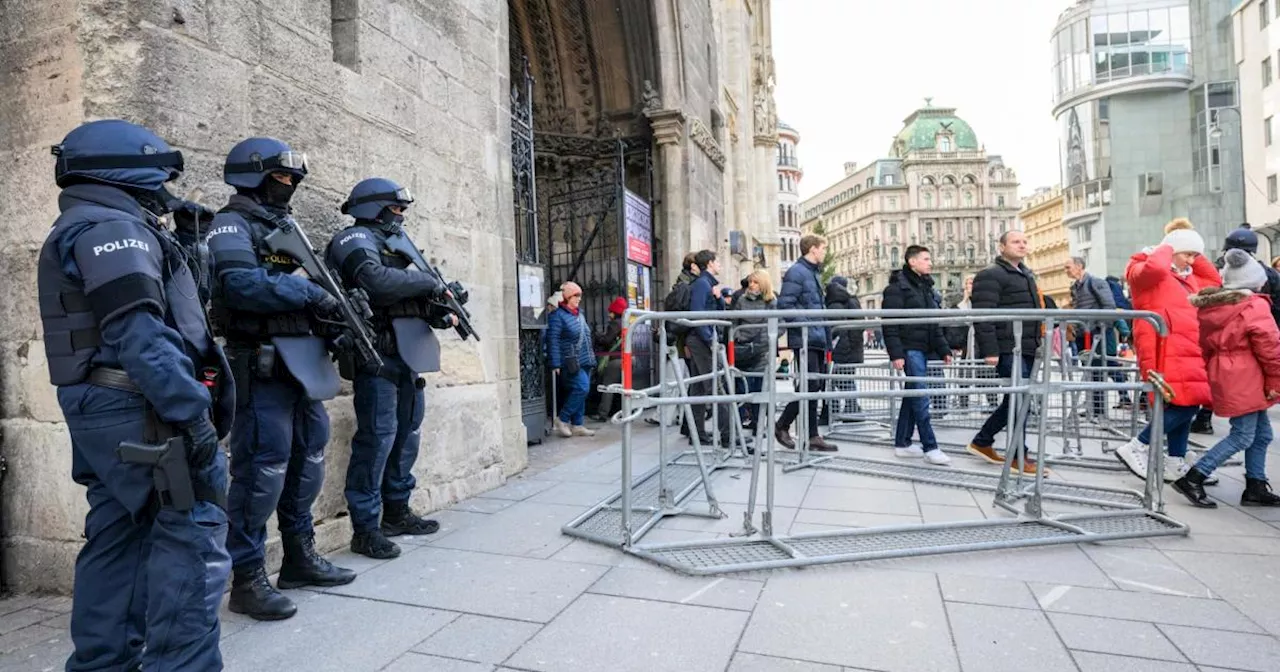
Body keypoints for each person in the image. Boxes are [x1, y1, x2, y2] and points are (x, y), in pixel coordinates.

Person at [41, 119, 235, 669]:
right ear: (126, 170)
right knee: (191, 541)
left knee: (117, 537)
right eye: (157, 178)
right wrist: (190, 413)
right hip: (142, 408)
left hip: (110, 408)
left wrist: (188, 247)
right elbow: (140, 332)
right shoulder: (108, 229)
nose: (163, 190)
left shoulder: (91, 223)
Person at [207, 137, 356, 621]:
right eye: (282, 177)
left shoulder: (285, 226)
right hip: (261, 362)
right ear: (254, 175)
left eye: (293, 179)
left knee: (309, 457)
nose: (289, 187)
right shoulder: (230, 223)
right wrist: (307, 293)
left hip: (303, 364)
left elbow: (315, 285)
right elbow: (238, 284)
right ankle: (247, 580)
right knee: (260, 471)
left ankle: (299, 556)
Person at [326, 178, 460, 560]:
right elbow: (377, 283)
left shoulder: (398, 245)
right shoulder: (354, 240)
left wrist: (442, 304)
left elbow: (416, 300)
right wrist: (426, 281)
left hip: (408, 357)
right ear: (375, 208)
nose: (401, 217)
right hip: (377, 355)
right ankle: (365, 528)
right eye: (396, 209)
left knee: (407, 435)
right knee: (377, 439)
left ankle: (397, 511)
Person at [1115, 218, 1220, 483]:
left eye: (1195, 255)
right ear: (1171, 249)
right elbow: (1155, 269)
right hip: (1162, 346)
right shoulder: (1143, 266)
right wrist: (1167, 247)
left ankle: (1176, 459)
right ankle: (1138, 445)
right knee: (1181, 404)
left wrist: (1192, 250)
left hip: (1186, 346)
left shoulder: (1188, 276)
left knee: (1188, 402)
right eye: (1188, 254)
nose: (1192, 260)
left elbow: (1214, 281)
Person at [1174, 250, 1280, 508]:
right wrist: (1276, 382)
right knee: (1243, 435)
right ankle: (1195, 476)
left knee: (1262, 434)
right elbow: (1270, 347)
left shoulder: (1216, 306)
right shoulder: (1254, 305)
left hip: (1227, 371)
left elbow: (1205, 345)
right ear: (1255, 281)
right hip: (1248, 373)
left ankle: (1256, 484)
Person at [1190, 225, 1280, 435]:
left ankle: (1204, 418)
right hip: (1258, 341)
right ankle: (1201, 468)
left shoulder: (1222, 271)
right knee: (1247, 430)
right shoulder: (1263, 275)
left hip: (1231, 349)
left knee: (1258, 431)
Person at [966, 231, 1043, 474]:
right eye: (1015, 242)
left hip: (1026, 346)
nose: (1022, 245)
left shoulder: (1025, 274)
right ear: (1002, 247)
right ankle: (1018, 456)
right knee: (1020, 401)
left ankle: (983, 441)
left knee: (1018, 400)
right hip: (1009, 347)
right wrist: (991, 351)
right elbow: (984, 315)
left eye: (1024, 241)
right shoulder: (991, 274)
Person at [882, 246, 953, 465]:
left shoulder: (926, 287)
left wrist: (944, 349)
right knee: (921, 396)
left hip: (924, 348)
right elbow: (890, 324)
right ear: (912, 262)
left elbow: (933, 322)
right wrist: (896, 353)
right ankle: (930, 446)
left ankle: (902, 443)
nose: (930, 263)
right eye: (926, 259)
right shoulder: (897, 288)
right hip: (910, 348)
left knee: (913, 395)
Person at [776, 235, 837, 451]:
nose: (825, 252)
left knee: (815, 384)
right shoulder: (797, 272)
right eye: (823, 248)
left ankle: (812, 435)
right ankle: (782, 424)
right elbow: (785, 305)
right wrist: (807, 325)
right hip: (806, 338)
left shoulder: (812, 273)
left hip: (816, 337)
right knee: (809, 383)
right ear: (812, 249)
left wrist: (826, 340)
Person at [1066, 256, 1130, 418]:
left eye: (1068, 267)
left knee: (1099, 370)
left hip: (1097, 334)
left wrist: (1099, 327)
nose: (1066, 271)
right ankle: (1094, 408)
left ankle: (1099, 410)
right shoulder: (1075, 286)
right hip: (1084, 334)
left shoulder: (1095, 282)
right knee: (1091, 372)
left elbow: (1109, 307)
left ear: (1079, 266)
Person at [687, 250, 729, 446]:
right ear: (710, 263)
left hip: (701, 339)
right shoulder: (702, 284)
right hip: (702, 340)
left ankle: (697, 433)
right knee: (715, 387)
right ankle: (728, 434)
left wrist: (719, 298)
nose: (720, 265)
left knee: (699, 388)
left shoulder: (708, 285)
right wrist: (709, 340)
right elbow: (697, 315)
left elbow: (719, 313)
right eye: (718, 261)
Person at [547, 281, 598, 437]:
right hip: (570, 361)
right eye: (575, 296)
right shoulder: (557, 316)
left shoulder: (579, 315)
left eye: (579, 296)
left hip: (585, 360)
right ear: (567, 297)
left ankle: (577, 424)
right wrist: (555, 363)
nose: (578, 299)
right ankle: (562, 419)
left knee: (582, 392)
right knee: (582, 388)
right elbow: (553, 340)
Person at [734, 270, 777, 431]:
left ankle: (758, 426)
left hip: (761, 352)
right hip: (742, 350)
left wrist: (763, 342)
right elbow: (734, 322)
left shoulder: (771, 302)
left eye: (755, 282)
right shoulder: (741, 300)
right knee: (741, 390)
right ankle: (738, 427)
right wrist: (737, 336)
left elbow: (779, 326)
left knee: (759, 390)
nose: (751, 285)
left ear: (763, 284)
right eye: (750, 281)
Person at [825, 275, 864, 416]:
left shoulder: (834, 303)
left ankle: (846, 408)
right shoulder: (852, 300)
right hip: (853, 348)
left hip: (841, 349)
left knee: (839, 380)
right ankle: (850, 408)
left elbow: (835, 330)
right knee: (845, 378)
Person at [593, 296, 628, 421]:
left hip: (616, 360)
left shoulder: (615, 324)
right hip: (629, 359)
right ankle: (627, 411)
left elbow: (607, 340)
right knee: (625, 387)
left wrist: (598, 337)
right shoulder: (627, 322)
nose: (609, 314)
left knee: (608, 386)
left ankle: (603, 414)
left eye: (610, 312)